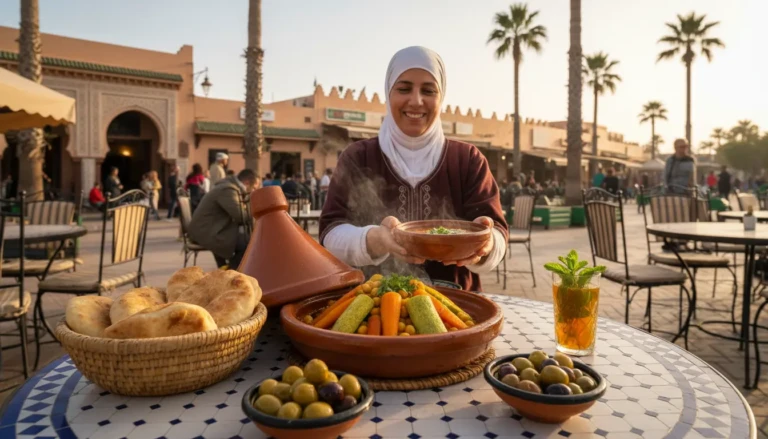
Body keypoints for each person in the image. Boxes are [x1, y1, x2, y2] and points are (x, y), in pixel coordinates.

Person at [319, 46, 507, 292]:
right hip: (374, 308)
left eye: (428, 90)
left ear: (441, 97)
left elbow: (498, 236)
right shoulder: (358, 157)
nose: (416, 101)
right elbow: (330, 235)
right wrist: (375, 240)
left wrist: (485, 244)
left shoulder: (468, 160)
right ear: (388, 92)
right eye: (404, 88)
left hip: (457, 308)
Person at [187, 169, 257, 269]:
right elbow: (240, 216)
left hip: (207, 229)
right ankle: (230, 272)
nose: (254, 190)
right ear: (247, 182)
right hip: (206, 232)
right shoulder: (228, 190)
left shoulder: (228, 186)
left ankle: (226, 268)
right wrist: (255, 209)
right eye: (254, 187)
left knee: (244, 239)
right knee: (248, 243)